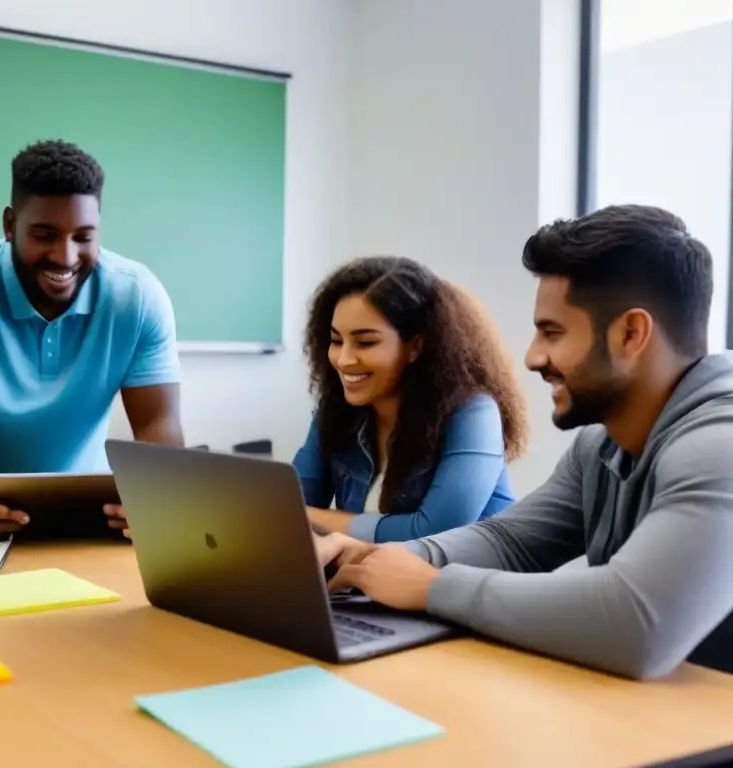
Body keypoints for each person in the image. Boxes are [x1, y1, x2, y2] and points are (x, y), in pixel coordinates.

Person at [320, 204, 733, 680]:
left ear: (631, 334)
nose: (533, 357)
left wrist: (433, 586)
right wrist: (375, 560)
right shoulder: (599, 445)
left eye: (551, 333)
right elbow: (511, 542)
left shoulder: (719, 445)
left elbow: (637, 623)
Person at [0, 140, 184, 540]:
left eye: (83, 237)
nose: (65, 257)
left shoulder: (137, 298)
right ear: (9, 225)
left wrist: (156, 496)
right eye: (45, 235)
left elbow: (159, 424)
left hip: (95, 525)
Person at [294, 256, 528, 543]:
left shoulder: (473, 413)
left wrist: (309, 517)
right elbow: (288, 505)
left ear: (415, 346)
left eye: (365, 342)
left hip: (463, 581)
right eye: (336, 340)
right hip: (371, 582)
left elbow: (434, 534)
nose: (343, 360)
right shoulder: (337, 410)